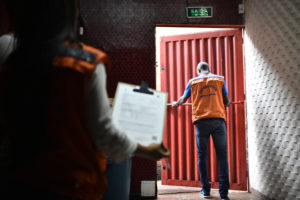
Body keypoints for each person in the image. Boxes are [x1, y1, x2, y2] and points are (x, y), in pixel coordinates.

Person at [0, 0, 170, 199]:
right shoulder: (84, 63)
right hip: (72, 183)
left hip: (18, 181)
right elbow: (103, 134)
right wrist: (145, 149)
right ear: (69, 17)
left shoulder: (8, 56)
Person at [172, 61, 230, 200]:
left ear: (198, 70)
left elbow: (182, 99)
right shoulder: (219, 79)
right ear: (209, 69)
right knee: (222, 156)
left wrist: (176, 104)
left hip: (201, 122)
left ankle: (206, 190)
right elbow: (227, 101)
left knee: (202, 156)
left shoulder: (192, 82)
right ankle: (223, 194)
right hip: (218, 122)